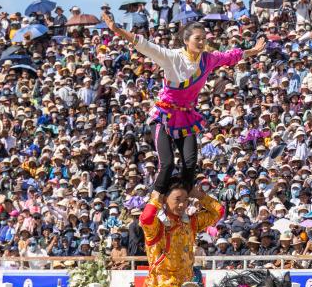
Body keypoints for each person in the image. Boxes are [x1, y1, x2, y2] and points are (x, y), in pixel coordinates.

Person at [103, 13, 266, 193]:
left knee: (190, 162)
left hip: (186, 115)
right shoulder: (172, 57)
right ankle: (155, 200)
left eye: (204, 38)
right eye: (197, 38)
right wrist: (117, 30)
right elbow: (143, 44)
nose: (202, 42)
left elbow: (231, 56)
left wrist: (253, 51)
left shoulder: (208, 59)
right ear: (186, 40)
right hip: (164, 115)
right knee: (167, 163)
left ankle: (186, 195)